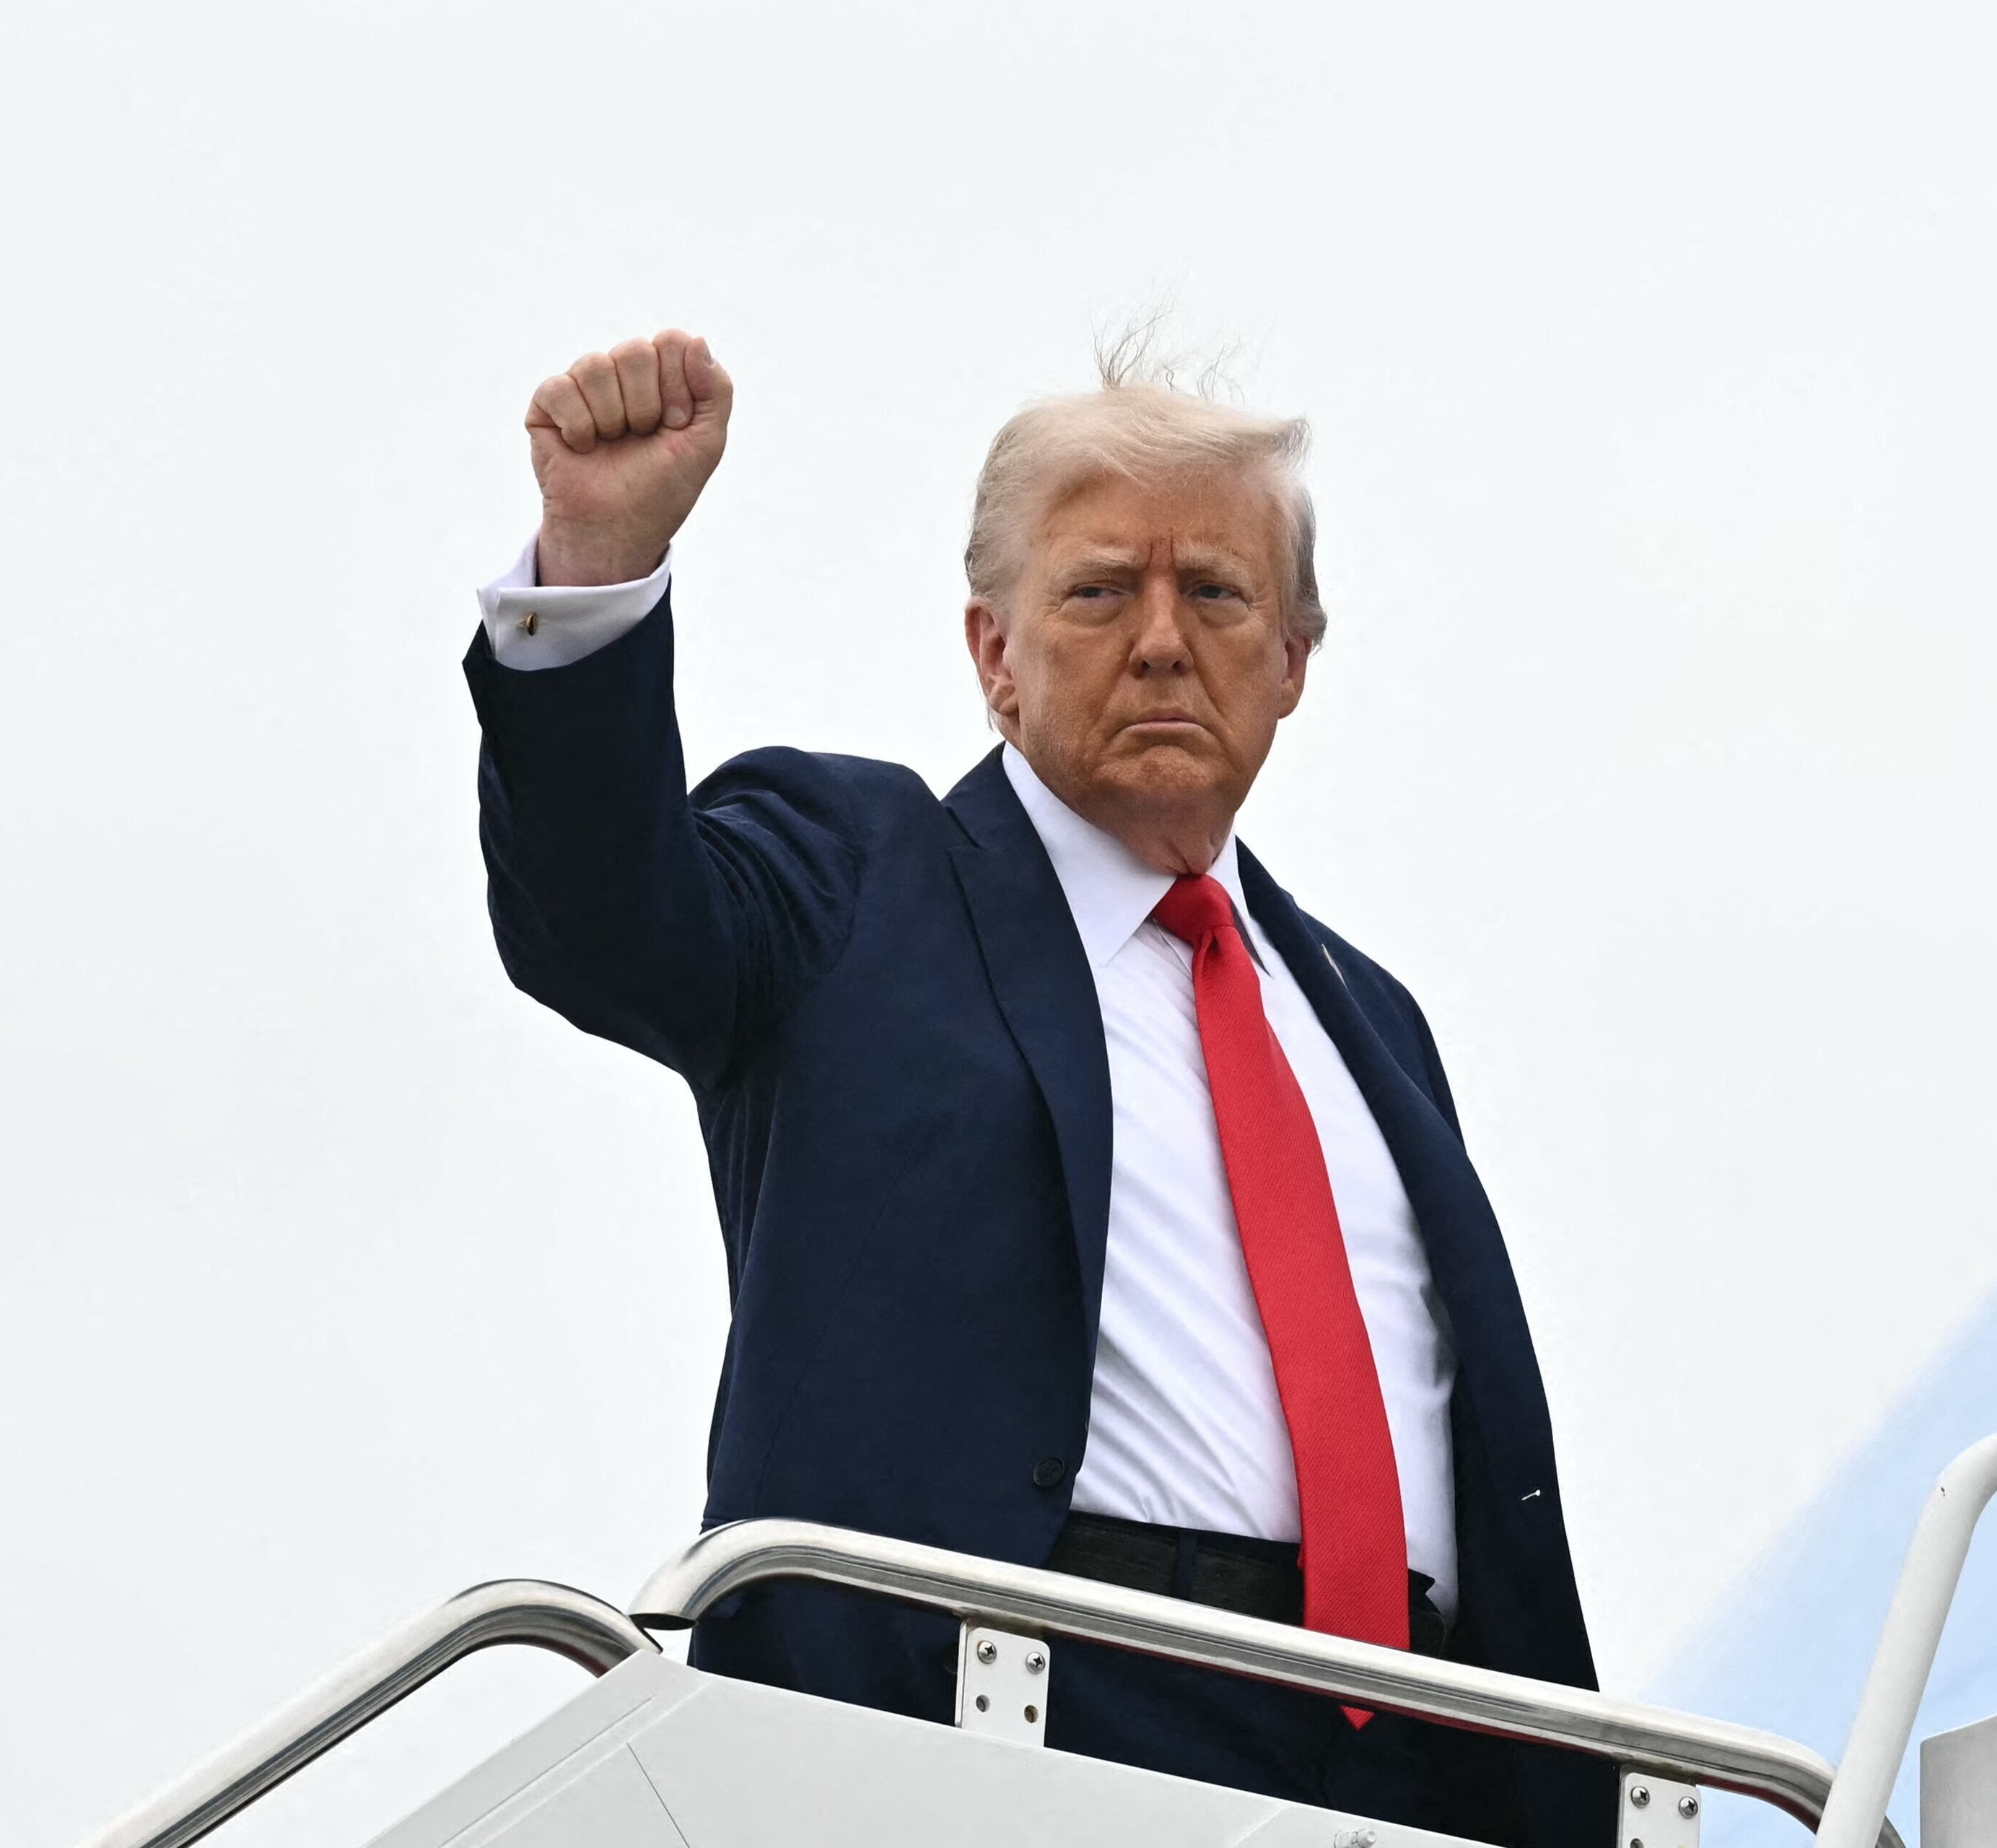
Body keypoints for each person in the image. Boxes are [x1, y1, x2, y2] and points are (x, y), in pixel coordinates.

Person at [461, 328, 1606, 1845]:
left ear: (1291, 662)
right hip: (1019, 1727)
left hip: (1411, 1764)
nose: (1157, 639)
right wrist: (599, 565)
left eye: (1213, 592)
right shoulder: (856, 878)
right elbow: (606, 922)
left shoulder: (1372, 1022)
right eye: (1096, 589)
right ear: (993, 651)